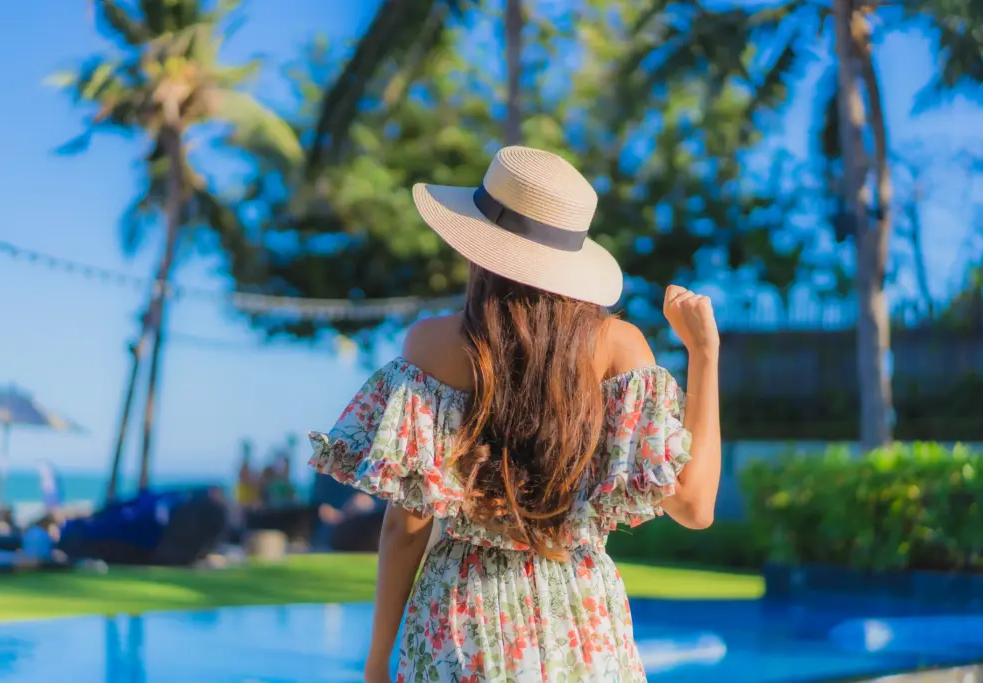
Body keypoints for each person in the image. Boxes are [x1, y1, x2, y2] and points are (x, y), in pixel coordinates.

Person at [309, 146, 721, 683]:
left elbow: (404, 528)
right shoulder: (620, 347)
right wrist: (704, 355)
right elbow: (694, 506)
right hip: (580, 622)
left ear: (479, 247)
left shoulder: (430, 346)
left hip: (458, 621)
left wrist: (376, 661)